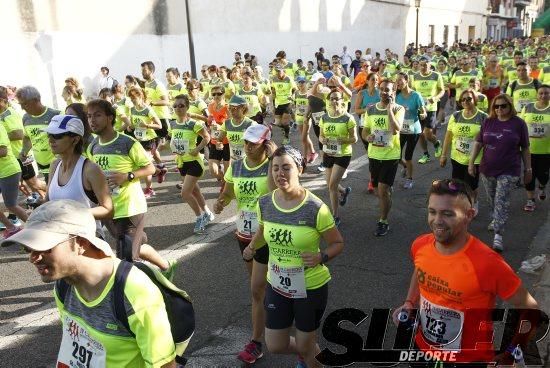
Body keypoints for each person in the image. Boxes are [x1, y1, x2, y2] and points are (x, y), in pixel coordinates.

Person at [1, 200, 178, 367]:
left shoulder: (135, 292)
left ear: (81, 243)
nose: (33, 258)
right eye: (28, 248)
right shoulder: (64, 285)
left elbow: (164, 364)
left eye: (44, 247)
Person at [392, 179, 539, 367]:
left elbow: (531, 309)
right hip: (422, 349)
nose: (437, 221)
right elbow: (419, 271)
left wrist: (511, 353)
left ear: (469, 215)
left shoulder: (488, 263)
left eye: (447, 214)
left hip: (470, 360)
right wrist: (409, 302)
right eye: (432, 212)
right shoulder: (420, 245)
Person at [243, 145, 344, 368]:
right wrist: (251, 247)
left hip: (310, 287)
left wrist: (322, 256)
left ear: (300, 169)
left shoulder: (315, 208)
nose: (280, 174)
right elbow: (262, 232)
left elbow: (337, 243)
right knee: (275, 344)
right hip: (277, 284)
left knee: (306, 347)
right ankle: (309, 350)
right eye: (275, 168)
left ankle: (311, 355)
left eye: (286, 168)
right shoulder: (265, 203)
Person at [87, 99, 175, 275]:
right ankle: (165, 265)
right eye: (89, 116)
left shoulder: (127, 143)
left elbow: (151, 168)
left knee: (126, 262)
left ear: (110, 117)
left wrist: (127, 176)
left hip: (130, 209)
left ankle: (157, 292)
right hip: (109, 210)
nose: (92, 120)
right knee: (134, 246)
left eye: (97, 115)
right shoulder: (93, 147)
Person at [214, 124, 276, 365]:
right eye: (246, 142)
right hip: (245, 235)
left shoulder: (272, 167)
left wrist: (272, 160)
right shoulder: (237, 166)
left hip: (269, 235)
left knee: (267, 286)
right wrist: (221, 202)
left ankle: (263, 336)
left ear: (265, 144)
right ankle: (258, 340)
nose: (247, 147)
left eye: (253, 143)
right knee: (257, 289)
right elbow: (229, 194)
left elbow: (274, 195)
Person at [468, 94, 531, 252]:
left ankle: (498, 236)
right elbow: (478, 142)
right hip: (488, 168)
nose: (500, 109)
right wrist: (471, 162)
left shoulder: (519, 124)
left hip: (509, 169)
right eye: (496, 106)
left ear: (510, 106)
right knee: (492, 199)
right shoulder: (488, 122)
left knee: (501, 200)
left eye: (503, 106)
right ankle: (496, 218)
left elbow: (525, 148)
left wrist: (528, 169)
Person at [44, 114, 113, 236]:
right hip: (58, 237)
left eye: (57, 136)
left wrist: (74, 214)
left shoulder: (90, 169)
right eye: (49, 135)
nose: (51, 140)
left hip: (87, 239)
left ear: (75, 140)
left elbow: (108, 210)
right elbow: (48, 202)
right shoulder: (54, 165)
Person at [362, 79, 405, 236]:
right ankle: (386, 194)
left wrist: (389, 110)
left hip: (390, 155)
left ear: (393, 92)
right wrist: (368, 137)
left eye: (387, 90)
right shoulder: (371, 110)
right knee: (377, 190)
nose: (384, 92)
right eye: (382, 89)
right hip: (374, 154)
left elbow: (396, 129)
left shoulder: (399, 109)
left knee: (382, 190)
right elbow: (365, 130)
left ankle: (383, 221)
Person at [169, 94, 214, 234]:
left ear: (187, 107)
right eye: (175, 106)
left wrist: (196, 149)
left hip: (194, 163)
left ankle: (199, 218)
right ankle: (207, 212)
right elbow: (174, 141)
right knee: (195, 190)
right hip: (182, 163)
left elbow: (207, 137)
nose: (178, 108)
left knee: (185, 193)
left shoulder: (193, 124)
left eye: (181, 105)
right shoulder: (173, 124)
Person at [440, 89, 488, 215]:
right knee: (456, 184)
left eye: (469, 99)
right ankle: (460, 205)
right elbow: (448, 136)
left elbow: (487, 140)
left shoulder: (483, 117)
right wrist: (443, 155)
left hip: (474, 159)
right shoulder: (456, 116)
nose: (466, 101)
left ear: (475, 100)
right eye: (463, 99)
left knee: (471, 186)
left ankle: (473, 203)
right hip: (457, 157)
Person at [319, 90, 357, 226]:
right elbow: (321, 135)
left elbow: (355, 138)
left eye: (337, 99)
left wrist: (344, 140)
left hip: (343, 154)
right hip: (328, 153)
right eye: (332, 99)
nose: (334, 101)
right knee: (329, 183)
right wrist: (322, 139)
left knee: (332, 186)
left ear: (342, 100)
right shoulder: (324, 117)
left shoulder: (348, 118)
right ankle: (344, 191)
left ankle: (335, 216)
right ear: (328, 101)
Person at [16, 86, 60, 183]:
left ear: (36, 100)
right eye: (21, 104)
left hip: (59, 166)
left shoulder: (56, 115)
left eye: (25, 104)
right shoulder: (25, 118)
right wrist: (24, 151)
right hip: (42, 166)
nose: (22, 108)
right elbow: (27, 137)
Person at [127, 86, 163, 198]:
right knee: (141, 164)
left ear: (140, 96)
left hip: (149, 140)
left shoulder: (148, 110)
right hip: (138, 140)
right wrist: (130, 127)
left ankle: (149, 189)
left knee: (145, 165)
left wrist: (146, 125)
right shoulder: (132, 109)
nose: (132, 101)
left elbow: (159, 126)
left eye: (134, 98)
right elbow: (132, 124)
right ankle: (158, 171)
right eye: (131, 99)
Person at [520, 84, 550, 211]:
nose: (543, 96)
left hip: (546, 150)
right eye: (541, 93)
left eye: (547, 93)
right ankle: (530, 200)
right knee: (529, 173)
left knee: (543, 176)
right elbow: (520, 126)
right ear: (537, 94)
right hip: (528, 149)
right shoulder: (528, 107)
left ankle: (542, 186)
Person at [411, 57, 444, 164]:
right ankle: (426, 154)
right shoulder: (415, 76)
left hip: (431, 108)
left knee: (428, 134)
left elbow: (442, 90)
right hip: (419, 108)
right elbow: (413, 92)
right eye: (421, 65)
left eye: (425, 65)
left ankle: (436, 143)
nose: (423, 67)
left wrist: (434, 98)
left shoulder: (436, 75)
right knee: (420, 133)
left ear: (430, 65)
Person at [395, 72, 425, 189]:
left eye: (400, 80)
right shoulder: (397, 96)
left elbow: (423, 111)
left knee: (408, 156)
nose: (397, 82)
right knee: (396, 155)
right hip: (401, 129)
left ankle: (409, 179)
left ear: (406, 80)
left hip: (413, 130)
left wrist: (423, 114)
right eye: (396, 80)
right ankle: (406, 167)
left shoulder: (416, 95)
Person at [0, 120, 28, 239]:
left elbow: (3, 151)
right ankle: (11, 228)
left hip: (9, 171)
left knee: (11, 205)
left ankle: (40, 227)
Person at [218, 95, 257, 162]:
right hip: (234, 161)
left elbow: (258, 145)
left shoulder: (251, 124)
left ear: (243, 108)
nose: (231, 111)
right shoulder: (227, 123)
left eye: (234, 108)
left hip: (248, 162)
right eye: (229, 108)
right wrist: (219, 144)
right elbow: (219, 139)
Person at [206, 85, 230, 185]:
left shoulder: (228, 107)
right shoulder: (210, 106)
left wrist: (219, 125)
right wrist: (209, 125)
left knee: (228, 172)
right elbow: (209, 121)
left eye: (219, 94)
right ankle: (224, 182)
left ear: (223, 94)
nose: (216, 96)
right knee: (213, 171)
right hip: (215, 141)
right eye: (213, 94)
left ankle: (225, 187)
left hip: (227, 142)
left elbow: (231, 125)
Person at [271, 65, 297, 145]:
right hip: (278, 103)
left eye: (279, 71)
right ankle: (290, 125)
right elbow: (273, 91)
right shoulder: (274, 79)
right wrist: (273, 104)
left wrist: (291, 96)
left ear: (283, 71)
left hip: (287, 102)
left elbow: (295, 89)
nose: (278, 73)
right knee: (278, 123)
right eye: (276, 71)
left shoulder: (288, 79)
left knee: (285, 122)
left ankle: (286, 137)